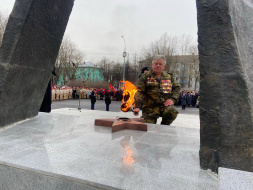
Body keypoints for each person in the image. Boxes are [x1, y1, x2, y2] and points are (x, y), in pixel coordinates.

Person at [133, 55, 181, 125]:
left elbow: (177, 88)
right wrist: (137, 106)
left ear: (164, 66)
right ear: (152, 65)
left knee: (173, 111)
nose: (158, 65)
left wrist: (172, 99)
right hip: (150, 108)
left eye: (160, 64)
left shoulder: (169, 77)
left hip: (164, 106)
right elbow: (140, 92)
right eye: (156, 63)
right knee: (148, 127)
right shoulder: (145, 76)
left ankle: (164, 126)